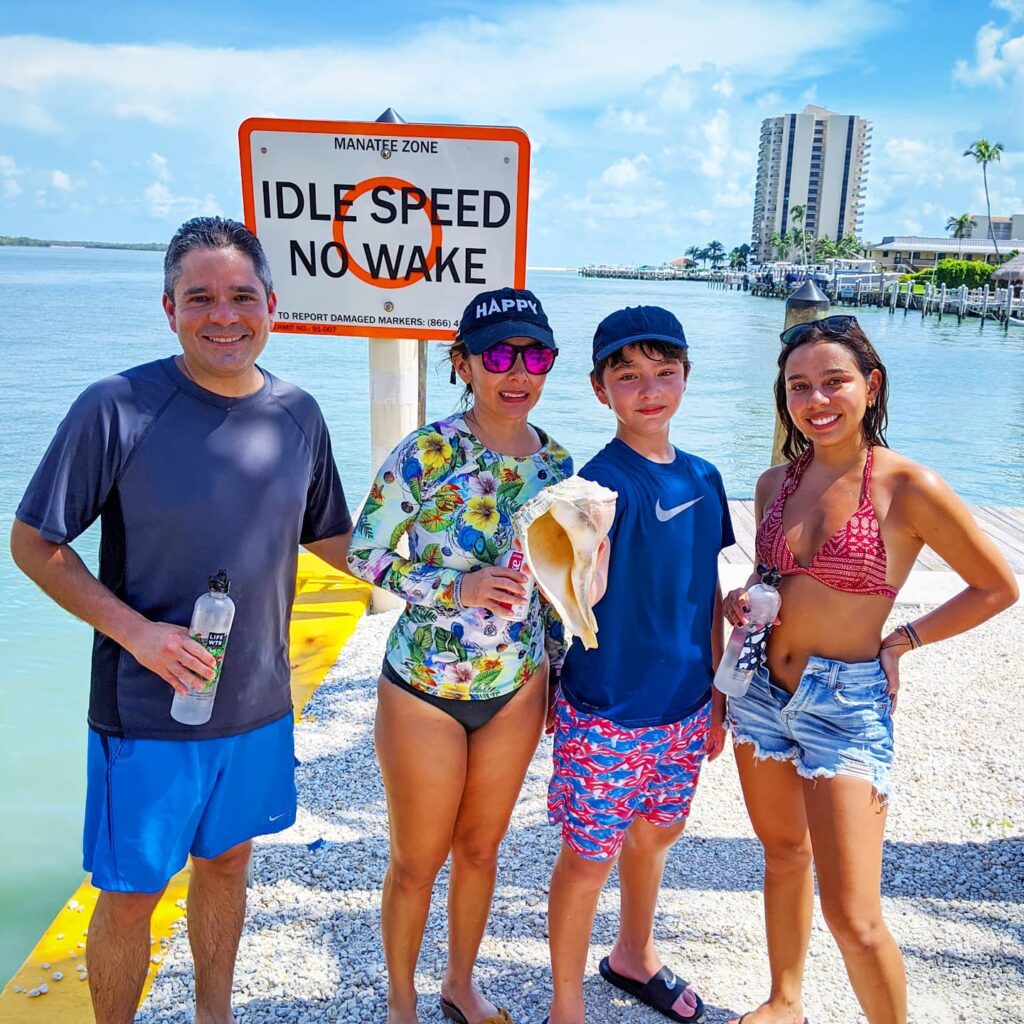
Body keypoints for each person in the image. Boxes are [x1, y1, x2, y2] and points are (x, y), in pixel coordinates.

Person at [10, 217, 353, 1024]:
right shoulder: (117, 407)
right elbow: (34, 543)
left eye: (241, 296)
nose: (224, 315)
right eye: (201, 297)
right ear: (169, 309)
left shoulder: (299, 413)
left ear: (273, 304)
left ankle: (214, 1015)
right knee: (130, 895)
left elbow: (336, 541)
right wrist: (138, 633)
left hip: (259, 704)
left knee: (228, 865)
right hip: (146, 711)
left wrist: (457, 572)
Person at [722, 315, 1018, 1024]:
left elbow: (997, 586)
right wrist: (745, 600)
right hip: (762, 691)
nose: (816, 399)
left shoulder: (908, 486)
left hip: (845, 702)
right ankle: (784, 1002)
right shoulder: (772, 482)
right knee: (784, 855)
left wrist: (903, 640)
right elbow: (775, 579)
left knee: (852, 915)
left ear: (870, 385)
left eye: (833, 382)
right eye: (799, 386)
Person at [345, 287, 572, 1024]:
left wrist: (563, 663)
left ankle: (460, 983)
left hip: (518, 684)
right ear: (463, 364)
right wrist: (457, 586)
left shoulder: (561, 464)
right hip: (423, 686)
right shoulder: (429, 451)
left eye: (534, 354)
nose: (517, 371)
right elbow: (363, 554)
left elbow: (565, 581)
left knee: (481, 850)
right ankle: (401, 1004)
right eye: (497, 354)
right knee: (417, 861)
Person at [544, 306, 733, 1024]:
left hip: (685, 703)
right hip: (609, 710)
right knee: (589, 857)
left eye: (664, 373)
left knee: (656, 835)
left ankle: (633, 953)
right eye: (627, 376)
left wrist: (716, 692)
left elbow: (704, 591)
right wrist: (579, 543)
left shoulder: (705, 476)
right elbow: (578, 596)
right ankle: (567, 1004)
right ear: (600, 389)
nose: (648, 390)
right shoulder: (595, 486)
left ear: (686, 378)